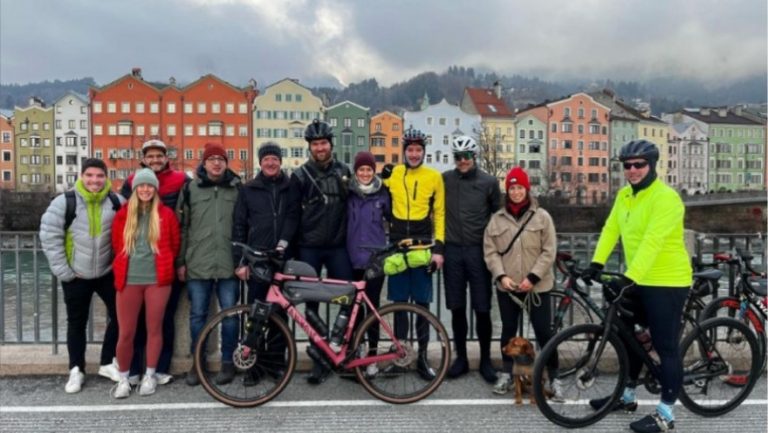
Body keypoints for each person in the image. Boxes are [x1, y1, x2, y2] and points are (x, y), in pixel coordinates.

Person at [582, 140, 692, 433]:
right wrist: (596, 263)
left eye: (638, 164)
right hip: (638, 277)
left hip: (667, 280)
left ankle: (666, 414)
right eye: (627, 165)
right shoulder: (624, 196)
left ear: (652, 165)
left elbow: (652, 241)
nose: (632, 170)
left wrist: (628, 278)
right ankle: (627, 395)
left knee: (665, 345)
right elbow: (611, 229)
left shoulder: (666, 199)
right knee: (627, 334)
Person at [39, 158, 124, 393]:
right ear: (82, 176)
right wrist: (64, 272)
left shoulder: (117, 202)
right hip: (76, 274)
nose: (94, 180)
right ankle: (76, 369)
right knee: (76, 322)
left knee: (120, 316)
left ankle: (107, 362)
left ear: (106, 177)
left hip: (106, 272)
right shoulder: (63, 203)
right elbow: (49, 236)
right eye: (89, 176)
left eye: (99, 176)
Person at [482, 166, 562, 399]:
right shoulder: (496, 220)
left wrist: (532, 277)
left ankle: (554, 377)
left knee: (544, 332)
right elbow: (490, 252)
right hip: (508, 287)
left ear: (527, 190)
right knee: (508, 332)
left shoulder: (542, 217)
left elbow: (549, 251)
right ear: (507, 191)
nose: (516, 192)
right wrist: (501, 276)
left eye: (520, 188)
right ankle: (507, 374)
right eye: (512, 188)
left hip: (537, 286)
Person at [120, 139, 187, 386]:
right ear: (144, 159)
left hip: (165, 262)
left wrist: (178, 260)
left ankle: (159, 367)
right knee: (135, 322)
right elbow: (122, 220)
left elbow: (186, 217)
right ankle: (135, 368)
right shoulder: (131, 182)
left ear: (166, 157)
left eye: (160, 155)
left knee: (164, 319)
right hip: (137, 267)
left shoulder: (180, 180)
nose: (156, 159)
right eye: (151, 156)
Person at [291, 119, 353, 384]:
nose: (320, 148)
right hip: (309, 247)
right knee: (312, 306)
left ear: (331, 144)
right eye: (315, 144)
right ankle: (319, 356)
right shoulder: (300, 175)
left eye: (323, 143)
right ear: (310, 147)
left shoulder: (344, 172)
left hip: (338, 246)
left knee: (349, 298)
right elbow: (292, 215)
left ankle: (343, 349)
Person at [233, 141, 300, 385]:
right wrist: (240, 262)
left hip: (282, 258)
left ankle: (276, 363)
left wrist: (286, 244)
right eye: (266, 159)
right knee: (256, 315)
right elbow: (239, 225)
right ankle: (254, 367)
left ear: (280, 161)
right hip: (257, 258)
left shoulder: (290, 186)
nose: (271, 163)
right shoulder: (248, 189)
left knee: (281, 315)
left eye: (274, 159)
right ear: (260, 163)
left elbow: (294, 216)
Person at [175, 143, 241, 386]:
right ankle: (198, 363)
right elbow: (182, 228)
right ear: (203, 163)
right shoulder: (190, 189)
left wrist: (242, 261)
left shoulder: (236, 189)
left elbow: (244, 226)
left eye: (220, 159)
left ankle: (227, 363)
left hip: (228, 263)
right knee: (197, 316)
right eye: (211, 159)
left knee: (231, 316)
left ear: (226, 163)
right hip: (198, 262)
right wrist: (181, 261)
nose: (216, 163)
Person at [110, 168, 180, 398]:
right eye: (141, 185)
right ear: (135, 188)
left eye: (150, 185)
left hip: (157, 281)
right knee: (126, 332)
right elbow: (116, 245)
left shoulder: (166, 215)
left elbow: (174, 244)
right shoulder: (123, 215)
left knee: (154, 329)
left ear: (155, 189)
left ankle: (150, 375)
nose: (146, 189)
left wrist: (166, 265)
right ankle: (124, 377)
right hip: (129, 280)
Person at [382, 127, 445, 380]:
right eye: (410, 150)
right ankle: (400, 356)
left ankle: (421, 358)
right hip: (397, 247)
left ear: (424, 152)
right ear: (404, 151)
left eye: (419, 150)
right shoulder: (394, 174)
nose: (415, 154)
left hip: (421, 249)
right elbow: (370, 187)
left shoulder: (434, 177)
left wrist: (439, 248)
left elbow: (439, 213)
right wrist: (380, 174)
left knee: (422, 305)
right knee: (398, 305)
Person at [442, 136, 500, 383]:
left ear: (474, 157)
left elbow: (499, 217)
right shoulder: (444, 180)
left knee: (482, 308)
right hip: (452, 250)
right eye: (458, 157)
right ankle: (461, 358)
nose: (462, 161)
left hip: (479, 251)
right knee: (456, 308)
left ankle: (486, 359)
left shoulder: (489, 182)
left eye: (466, 156)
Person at [346, 151, 391, 377]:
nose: (365, 173)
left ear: (374, 171)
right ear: (356, 171)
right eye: (361, 170)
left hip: (376, 260)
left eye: (369, 170)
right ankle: (356, 352)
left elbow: (394, 218)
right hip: (352, 259)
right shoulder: (348, 194)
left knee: (372, 310)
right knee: (353, 311)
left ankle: (372, 356)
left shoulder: (383, 193)